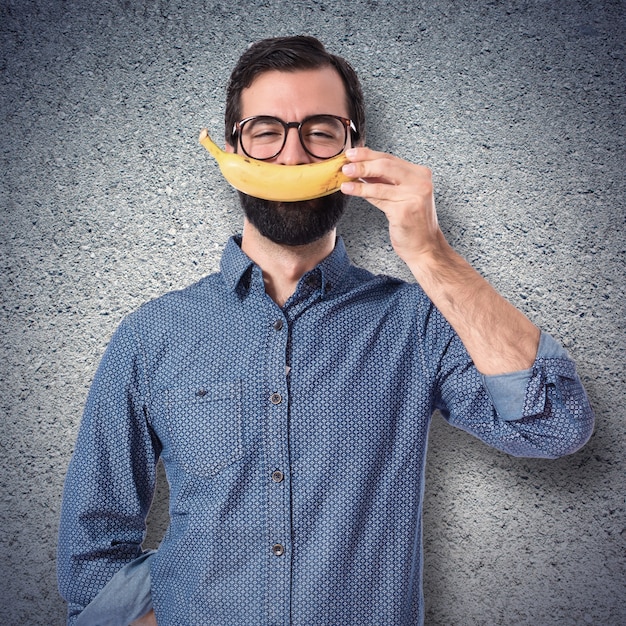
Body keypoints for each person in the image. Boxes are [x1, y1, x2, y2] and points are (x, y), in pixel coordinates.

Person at [57, 35, 594, 625]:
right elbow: (92, 556)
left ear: (354, 149)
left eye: (320, 130)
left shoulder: (415, 323)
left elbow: (555, 427)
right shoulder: (151, 334)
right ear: (235, 149)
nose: (292, 156)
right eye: (265, 131)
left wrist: (434, 255)